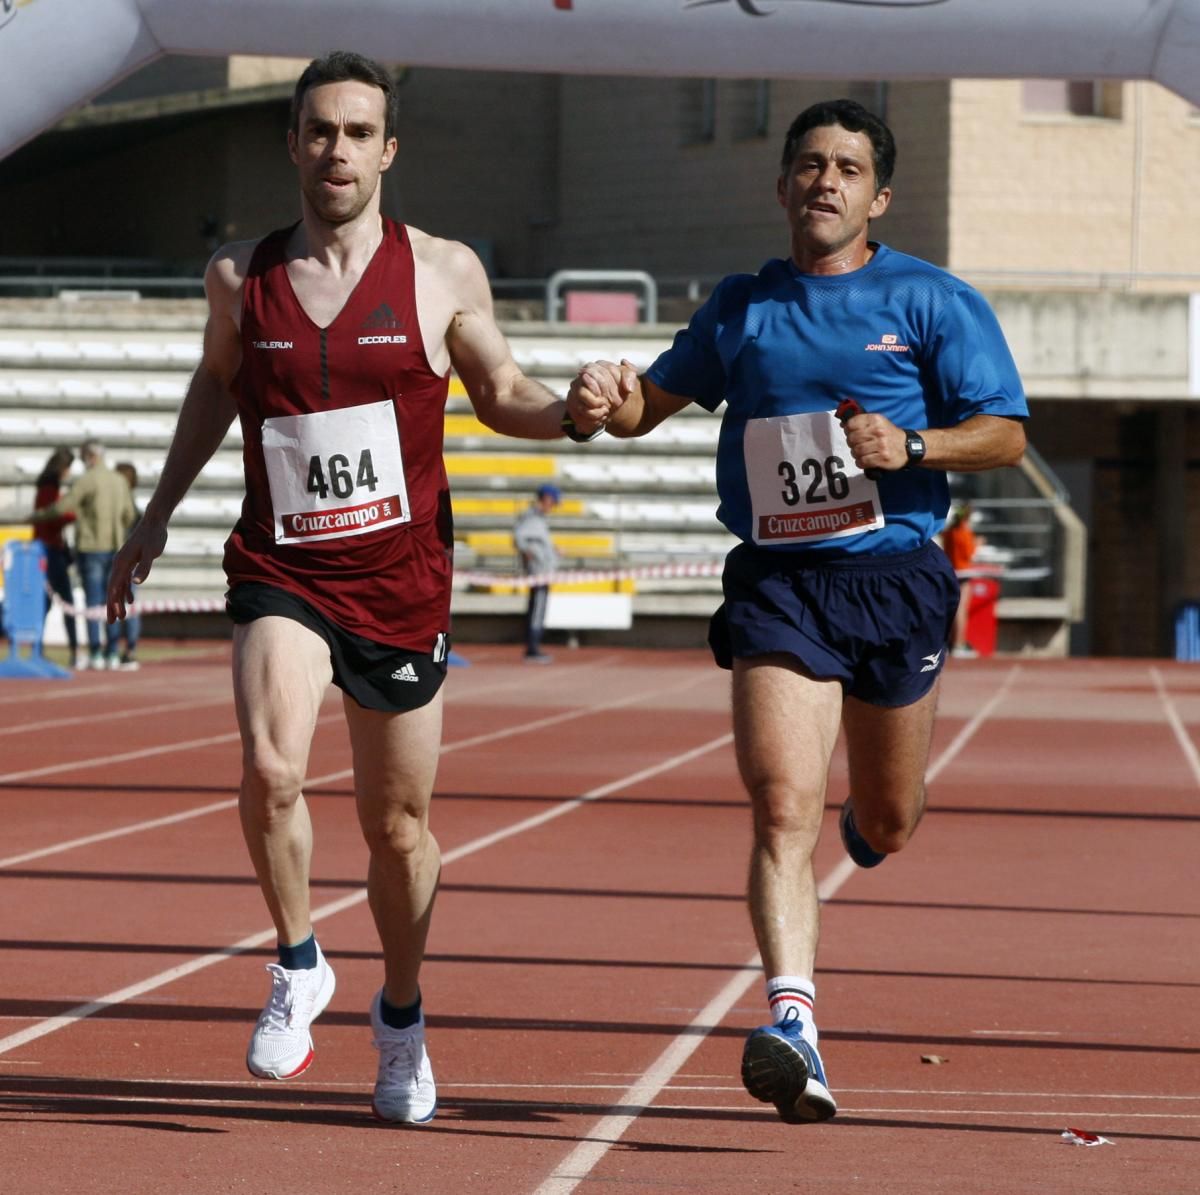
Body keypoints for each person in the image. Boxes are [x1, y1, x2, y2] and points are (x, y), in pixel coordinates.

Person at [105, 50, 603, 1124]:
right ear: (293, 144)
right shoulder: (243, 276)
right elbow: (216, 387)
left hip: (402, 584)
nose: (337, 150)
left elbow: (500, 389)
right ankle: (297, 962)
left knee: (398, 829)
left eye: (356, 132)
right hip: (282, 569)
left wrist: (566, 410)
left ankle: (403, 1015)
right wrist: (154, 515)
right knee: (274, 764)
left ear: (389, 149)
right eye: (319, 131)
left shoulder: (440, 273)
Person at [569, 98, 1027, 1125]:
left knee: (889, 820)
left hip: (896, 580)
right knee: (783, 804)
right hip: (780, 585)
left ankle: (871, 823)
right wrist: (608, 394)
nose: (826, 180)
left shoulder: (931, 300)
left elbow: (1003, 433)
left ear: (878, 195)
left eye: (848, 168)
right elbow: (650, 406)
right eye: (810, 164)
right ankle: (794, 1024)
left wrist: (913, 449)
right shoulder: (743, 307)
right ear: (783, 186)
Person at [33, 439, 135, 670]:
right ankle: (112, 653)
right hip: (116, 547)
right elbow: (129, 514)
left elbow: (62, 507)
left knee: (93, 603)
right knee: (113, 600)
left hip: (91, 548)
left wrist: (37, 516)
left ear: (90, 457)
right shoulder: (119, 481)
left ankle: (96, 653)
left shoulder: (86, 481)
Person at [31, 446, 80, 668]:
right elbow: (52, 516)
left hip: (47, 548)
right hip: (50, 550)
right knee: (64, 601)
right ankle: (73, 651)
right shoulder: (50, 488)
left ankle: (39, 650)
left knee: (46, 602)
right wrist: (73, 515)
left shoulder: (45, 486)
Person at [513, 483, 561, 662]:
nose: (553, 507)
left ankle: (534, 646)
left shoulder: (538, 518)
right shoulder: (532, 517)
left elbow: (534, 541)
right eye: (553, 502)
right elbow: (519, 538)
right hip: (539, 571)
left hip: (543, 570)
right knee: (537, 609)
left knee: (538, 607)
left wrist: (552, 550)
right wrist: (530, 554)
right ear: (547, 499)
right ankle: (532, 648)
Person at [940, 501, 983, 658]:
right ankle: (959, 643)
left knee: (954, 608)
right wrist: (977, 543)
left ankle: (952, 642)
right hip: (963, 571)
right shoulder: (964, 532)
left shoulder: (949, 531)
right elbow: (969, 553)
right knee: (961, 609)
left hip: (952, 570)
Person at [113, 462, 143, 670]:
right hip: (127, 558)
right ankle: (127, 649)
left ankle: (122, 649)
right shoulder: (131, 504)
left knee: (123, 601)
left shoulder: (126, 505)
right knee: (129, 602)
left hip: (120, 556)